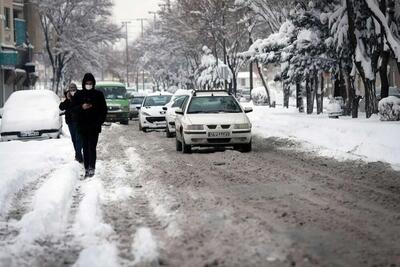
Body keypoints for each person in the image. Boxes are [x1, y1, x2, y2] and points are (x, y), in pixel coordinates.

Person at [72, 73, 107, 178]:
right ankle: (87, 168)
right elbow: (73, 109)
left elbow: (104, 110)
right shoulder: (78, 95)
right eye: (87, 83)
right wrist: (81, 107)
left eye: (90, 83)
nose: (88, 85)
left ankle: (92, 167)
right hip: (82, 126)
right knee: (85, 148)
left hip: (94, 126)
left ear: (93, 83)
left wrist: (99, 121)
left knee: (92, 147)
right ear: (83, 83)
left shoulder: (98, 94)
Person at [59, 83, 83, 163]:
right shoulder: (68, 97)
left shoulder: (80, 96)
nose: (72, 91)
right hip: (70, 122)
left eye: (74, 89)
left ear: (76, 89)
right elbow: (61, 107)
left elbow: (80, 106)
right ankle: (78, 154)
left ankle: (78, 156)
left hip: (79, 121)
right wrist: (67, 99)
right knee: (74, 139)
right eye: (71, 89)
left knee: (79, 138)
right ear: (69, 90)